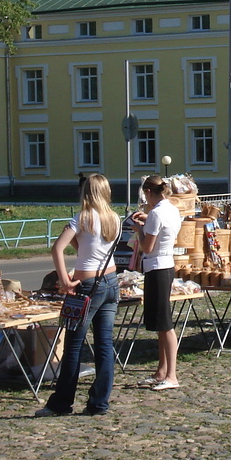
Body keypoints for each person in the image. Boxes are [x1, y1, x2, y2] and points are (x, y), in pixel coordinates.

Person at [36, 173, 120, 417]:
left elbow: (57, 247)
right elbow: (92, 245)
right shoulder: (114, 218)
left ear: (86, 192)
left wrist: (64, 279)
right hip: (111, 281)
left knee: (73, 345)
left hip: (86, 285)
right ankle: (99, 403)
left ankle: (61, 403)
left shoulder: (81, 217)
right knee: (104, 344)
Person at [133, 174, 184, 390]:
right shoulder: (171, 209)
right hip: (166, 265)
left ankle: (171, 375)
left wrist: (138, 230)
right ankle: (162, 370)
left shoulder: (155, 213)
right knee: (160, 325)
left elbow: (147, 247)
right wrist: (147, 222)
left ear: (147, 193)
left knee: (165, 324)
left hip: (157, 266)